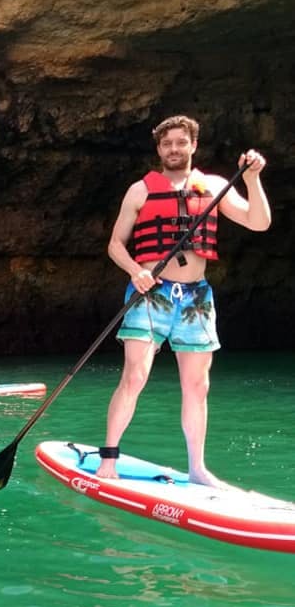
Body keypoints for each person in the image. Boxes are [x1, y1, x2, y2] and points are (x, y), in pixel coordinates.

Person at [99, 115, 270, 485]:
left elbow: (259, 222)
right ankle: (108, 458)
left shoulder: (214, 186)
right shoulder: (139, 191)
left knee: (198, 385)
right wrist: (135, 271)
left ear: (193, 145)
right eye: (166, 144)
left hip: (195, 298)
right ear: (159, 149)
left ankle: (197, 469)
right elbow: (115, 244)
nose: (173, 149)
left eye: (180, 142)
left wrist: (253, 179)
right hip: (150, 294)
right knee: (135, 376)